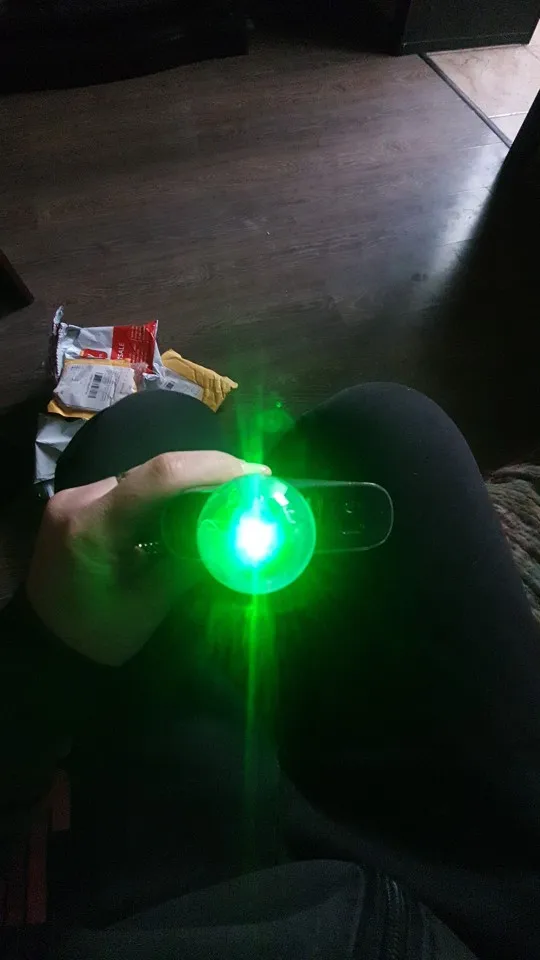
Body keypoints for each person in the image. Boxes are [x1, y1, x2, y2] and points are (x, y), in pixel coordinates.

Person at [1, 383, 540, 960]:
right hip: (492, 916)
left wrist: (45, 651)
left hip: (185, 905)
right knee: (391, 430)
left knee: (144, 429)